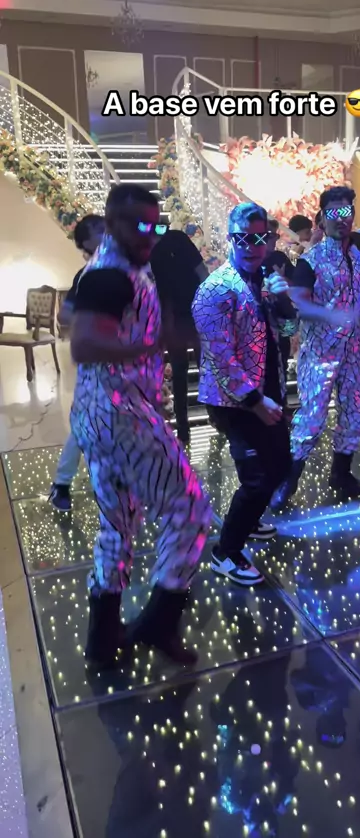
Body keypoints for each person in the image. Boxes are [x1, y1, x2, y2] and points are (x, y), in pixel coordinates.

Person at [69, 184, 212, 669]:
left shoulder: (114, 268)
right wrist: (154, 344)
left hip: (98, 413)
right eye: (138, 225)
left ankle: (102, 640)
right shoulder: (111, 276)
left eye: (156, 225)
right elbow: (84, 344)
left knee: (118, 524)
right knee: (192, 509)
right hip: (120, 414)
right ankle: (159, 620)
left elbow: (83, 319)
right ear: (111, 224)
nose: (149, 234)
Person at [192, 202, 297, 586]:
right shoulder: (215, 289)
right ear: (230, 239)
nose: (253, 247)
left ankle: (248, 520)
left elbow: (288, 334)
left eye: (260, 238)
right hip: (233, 401)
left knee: (281, 466)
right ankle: (226, 552)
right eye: (243, 239)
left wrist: (283, 302)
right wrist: (254, 401)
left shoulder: (264, 280)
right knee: (258, 479)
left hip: (269, 391)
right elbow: (220, 357)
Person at [271, 186, 360, 510]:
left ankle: (341, 474)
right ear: (323, 217)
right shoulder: (311, 261)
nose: (341, 219)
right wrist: (331, 315)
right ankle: (287, 479)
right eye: (334, 213)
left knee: (356, 411)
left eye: (346, 212)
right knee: (311, 419)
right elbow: (298, 302)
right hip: (320, 353)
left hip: (355, 352)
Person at [49, 214, 105, 511]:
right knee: (84, 423)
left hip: (127, 362)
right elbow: (64, 315)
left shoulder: (128, 270)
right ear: (85, 243)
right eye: (99, 231)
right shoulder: (87, 275)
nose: (108, 234)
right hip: (96, 361)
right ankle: (61, 483)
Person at [149, 225, 209, 447]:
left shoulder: (165, 243)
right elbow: (202, 272)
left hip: (178, 316)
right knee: (198, 369)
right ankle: (208, 418)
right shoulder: (173, 240)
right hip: (180, 315)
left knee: (186, 371)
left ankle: (186, 427)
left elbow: (201, 273)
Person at [263, 218, 296, 383]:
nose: (273, 240)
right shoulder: (251, 260)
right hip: (262, 320)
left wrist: (283, 279)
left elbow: (296, 283)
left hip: (283, 314)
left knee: (283, 353)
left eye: (275, 236)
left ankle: (281, 392)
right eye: (269, 235)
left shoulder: (280, 257)